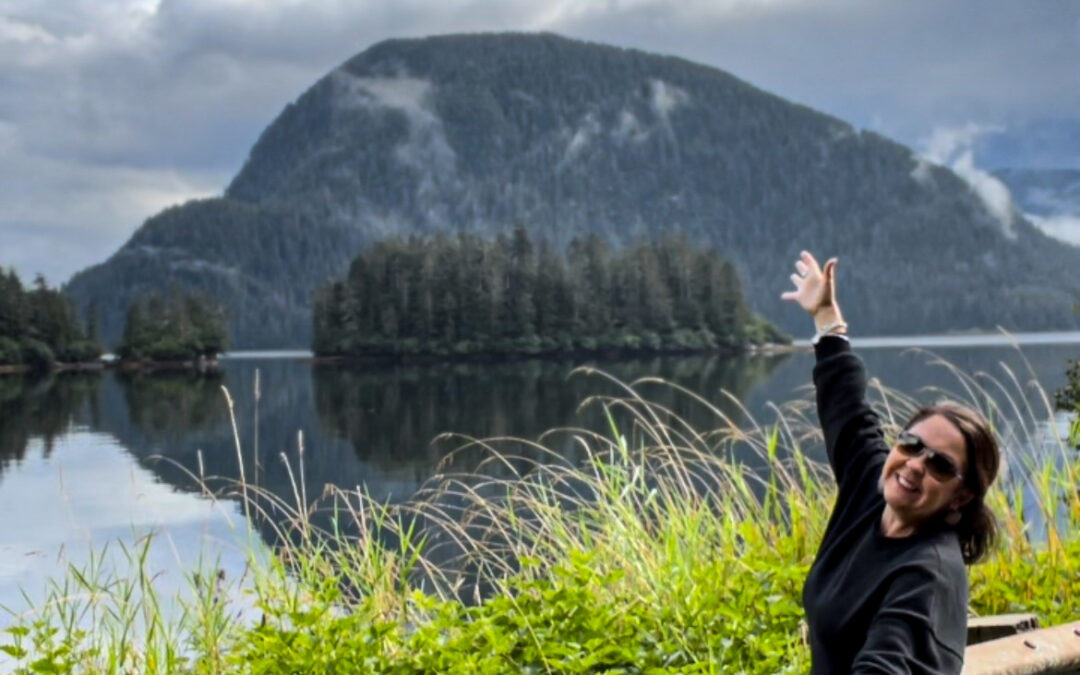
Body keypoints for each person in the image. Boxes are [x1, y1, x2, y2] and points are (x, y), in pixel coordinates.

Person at [782, 251, 1000, 674]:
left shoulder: (928, 575)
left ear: (961, 495)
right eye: (912, 444)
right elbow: (848, 412)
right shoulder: (873, 490)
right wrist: (828, 320)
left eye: (939, 465)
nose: (915, 464)